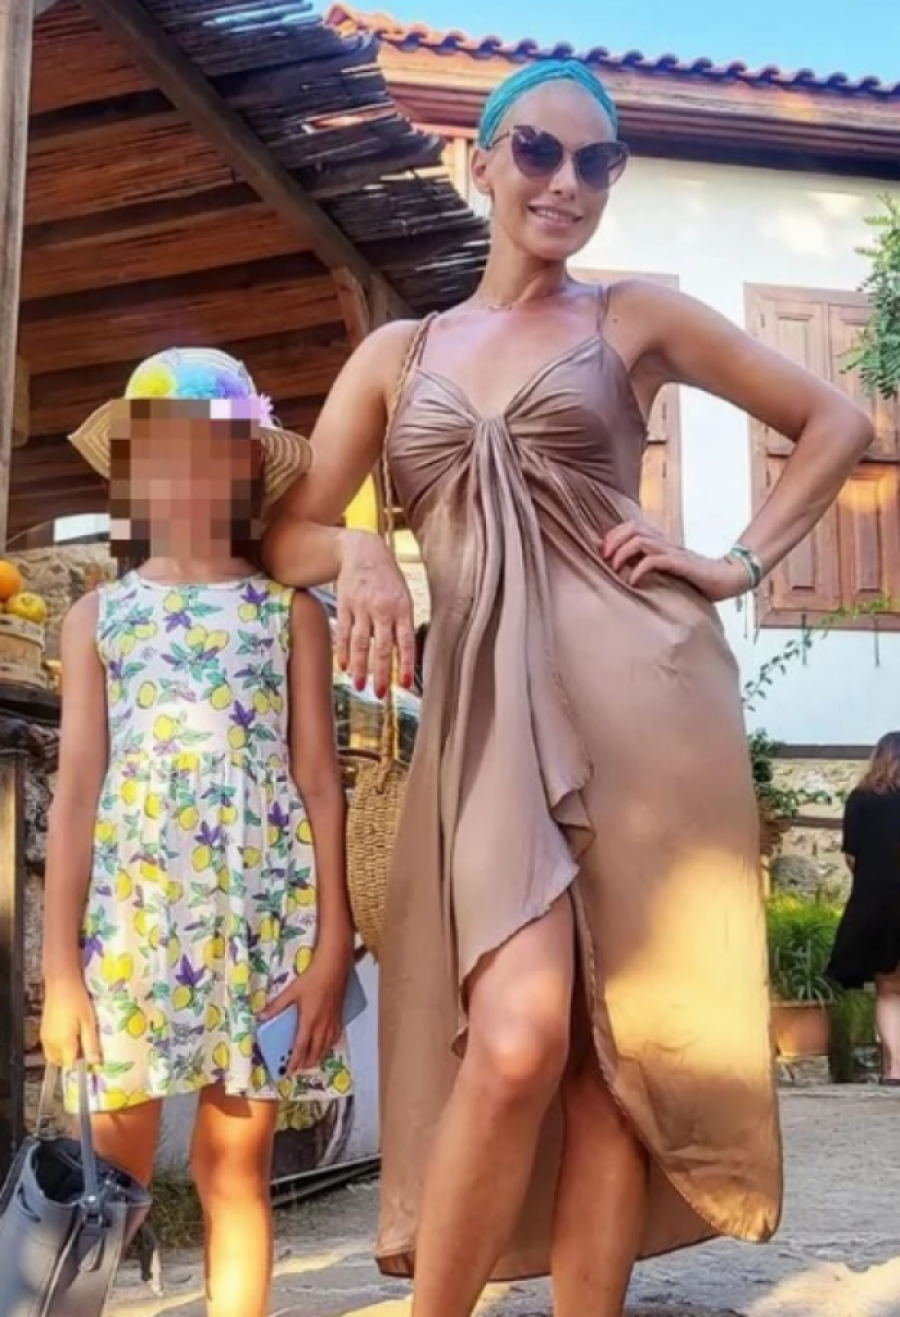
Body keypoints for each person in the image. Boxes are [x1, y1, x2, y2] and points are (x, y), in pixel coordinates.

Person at [264, 60, 874, 1317]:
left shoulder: (632, 316)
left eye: (598, 163)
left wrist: (735, 563)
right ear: (478, 161)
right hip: (486, 724)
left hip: (648, 704)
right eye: (539, 150)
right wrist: (362, 551)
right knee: (523, 1034)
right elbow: (288, 535)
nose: (567, 182)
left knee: (613, 1067)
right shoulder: (397, 354)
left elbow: (838, 423)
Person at [40, 348, 354, 1317]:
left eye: (211, 451)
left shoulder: (291, 617)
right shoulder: (98, 619)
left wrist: (332, 946)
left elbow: (320, 783)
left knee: (235, 1168)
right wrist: (59, 969)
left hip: (255, 936)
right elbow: (77, 791)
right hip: (130, 939)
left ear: (248, 466)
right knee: (109, 1177)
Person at [827, 732, 900, 1084]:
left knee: (889, 989)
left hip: (877, 903)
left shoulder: (860, 799)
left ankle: (896, 1069)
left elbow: (852, 856)